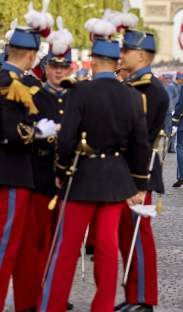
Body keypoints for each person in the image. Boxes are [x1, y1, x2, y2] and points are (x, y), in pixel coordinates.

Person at [39, 35, 149, 311]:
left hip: (82, 176)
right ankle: (102, 307)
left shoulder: (80, 91)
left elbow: (66, 141)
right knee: (107, 250)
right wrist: (139, 183)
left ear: (93, 61)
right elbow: (140, 146)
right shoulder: (134, 96)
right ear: (116, 63)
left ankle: (51, 306)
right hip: (115, 179)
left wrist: (61, 171)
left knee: (66, 249)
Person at [13, 19, 75, 312]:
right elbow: (22, 133)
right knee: (35, 243)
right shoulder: (32, 96)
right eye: (54, 65)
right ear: (45, 67)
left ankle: (55, 294)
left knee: (62, 246)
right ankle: (34, 298)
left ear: (71, 68)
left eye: (64, 66)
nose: (59, 70)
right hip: (39, 175)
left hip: (70, 180)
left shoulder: (78, 98)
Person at [0, 27, 57, 311]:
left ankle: (28, 303)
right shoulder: (11, 81)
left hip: (19, 174)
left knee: (22, 246)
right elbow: (12, 131)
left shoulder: (12, 78)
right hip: (11, 172)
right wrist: (38, 132)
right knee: (5, 246)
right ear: (33, 55)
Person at [116, 30, 169, 312]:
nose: (120, 56)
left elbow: (135, 137)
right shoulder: (135, 86)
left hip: (137, 171)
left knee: (138, 236)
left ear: (140, 55)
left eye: (125, 51)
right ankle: (134, 294)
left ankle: (144, 299)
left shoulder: (147, 90)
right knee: (128, 237)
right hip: (129, 169)